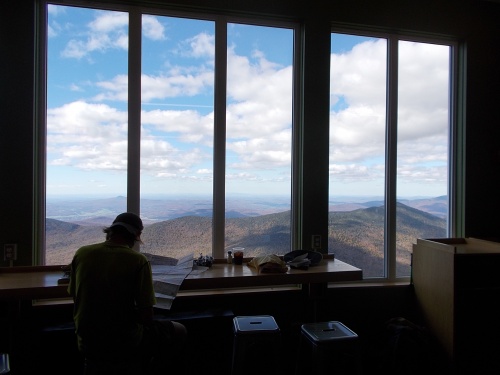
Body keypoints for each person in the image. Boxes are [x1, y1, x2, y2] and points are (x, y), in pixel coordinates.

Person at [68, 212, 187, 374]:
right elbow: (146, 317)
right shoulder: (138, 260)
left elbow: (75, 295)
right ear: (136, 236)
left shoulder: (82, 253)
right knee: (179, 330)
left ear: (110, 231)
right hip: (125, 341)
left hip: (87, 342)